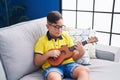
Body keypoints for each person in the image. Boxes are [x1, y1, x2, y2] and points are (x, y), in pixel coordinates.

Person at [34, 11, 89, 80]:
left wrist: (81, 52)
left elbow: (74, 57)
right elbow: (37, 62)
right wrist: (47, 54)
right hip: (52, 68)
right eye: (56, 27)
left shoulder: (66, 37)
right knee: (54, 77)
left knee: (84, 71)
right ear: (47, 26)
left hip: (69, 65)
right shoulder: (41, 41)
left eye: (61, 27)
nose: (59, 30)